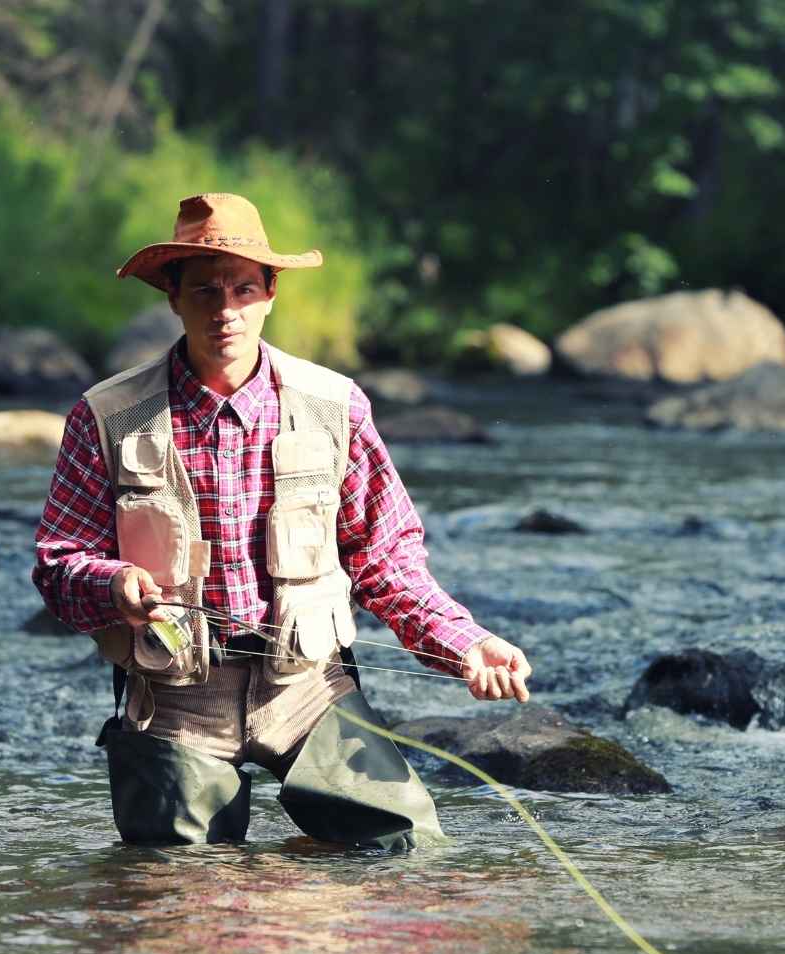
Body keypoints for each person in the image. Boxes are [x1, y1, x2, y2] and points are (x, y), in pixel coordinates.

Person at [33, 192, 531, 850]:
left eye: (243, 289)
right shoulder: (107, 415)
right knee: (172, 886)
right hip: (176, 697)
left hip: (310, 688)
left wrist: (464, 644)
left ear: (270, 293)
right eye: (205, 290)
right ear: (173, 297)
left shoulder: (335, 406)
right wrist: (112, 583)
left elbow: (387, 560)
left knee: (407, 854)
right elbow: (59, 563)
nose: (226, 310)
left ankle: (293, 896)